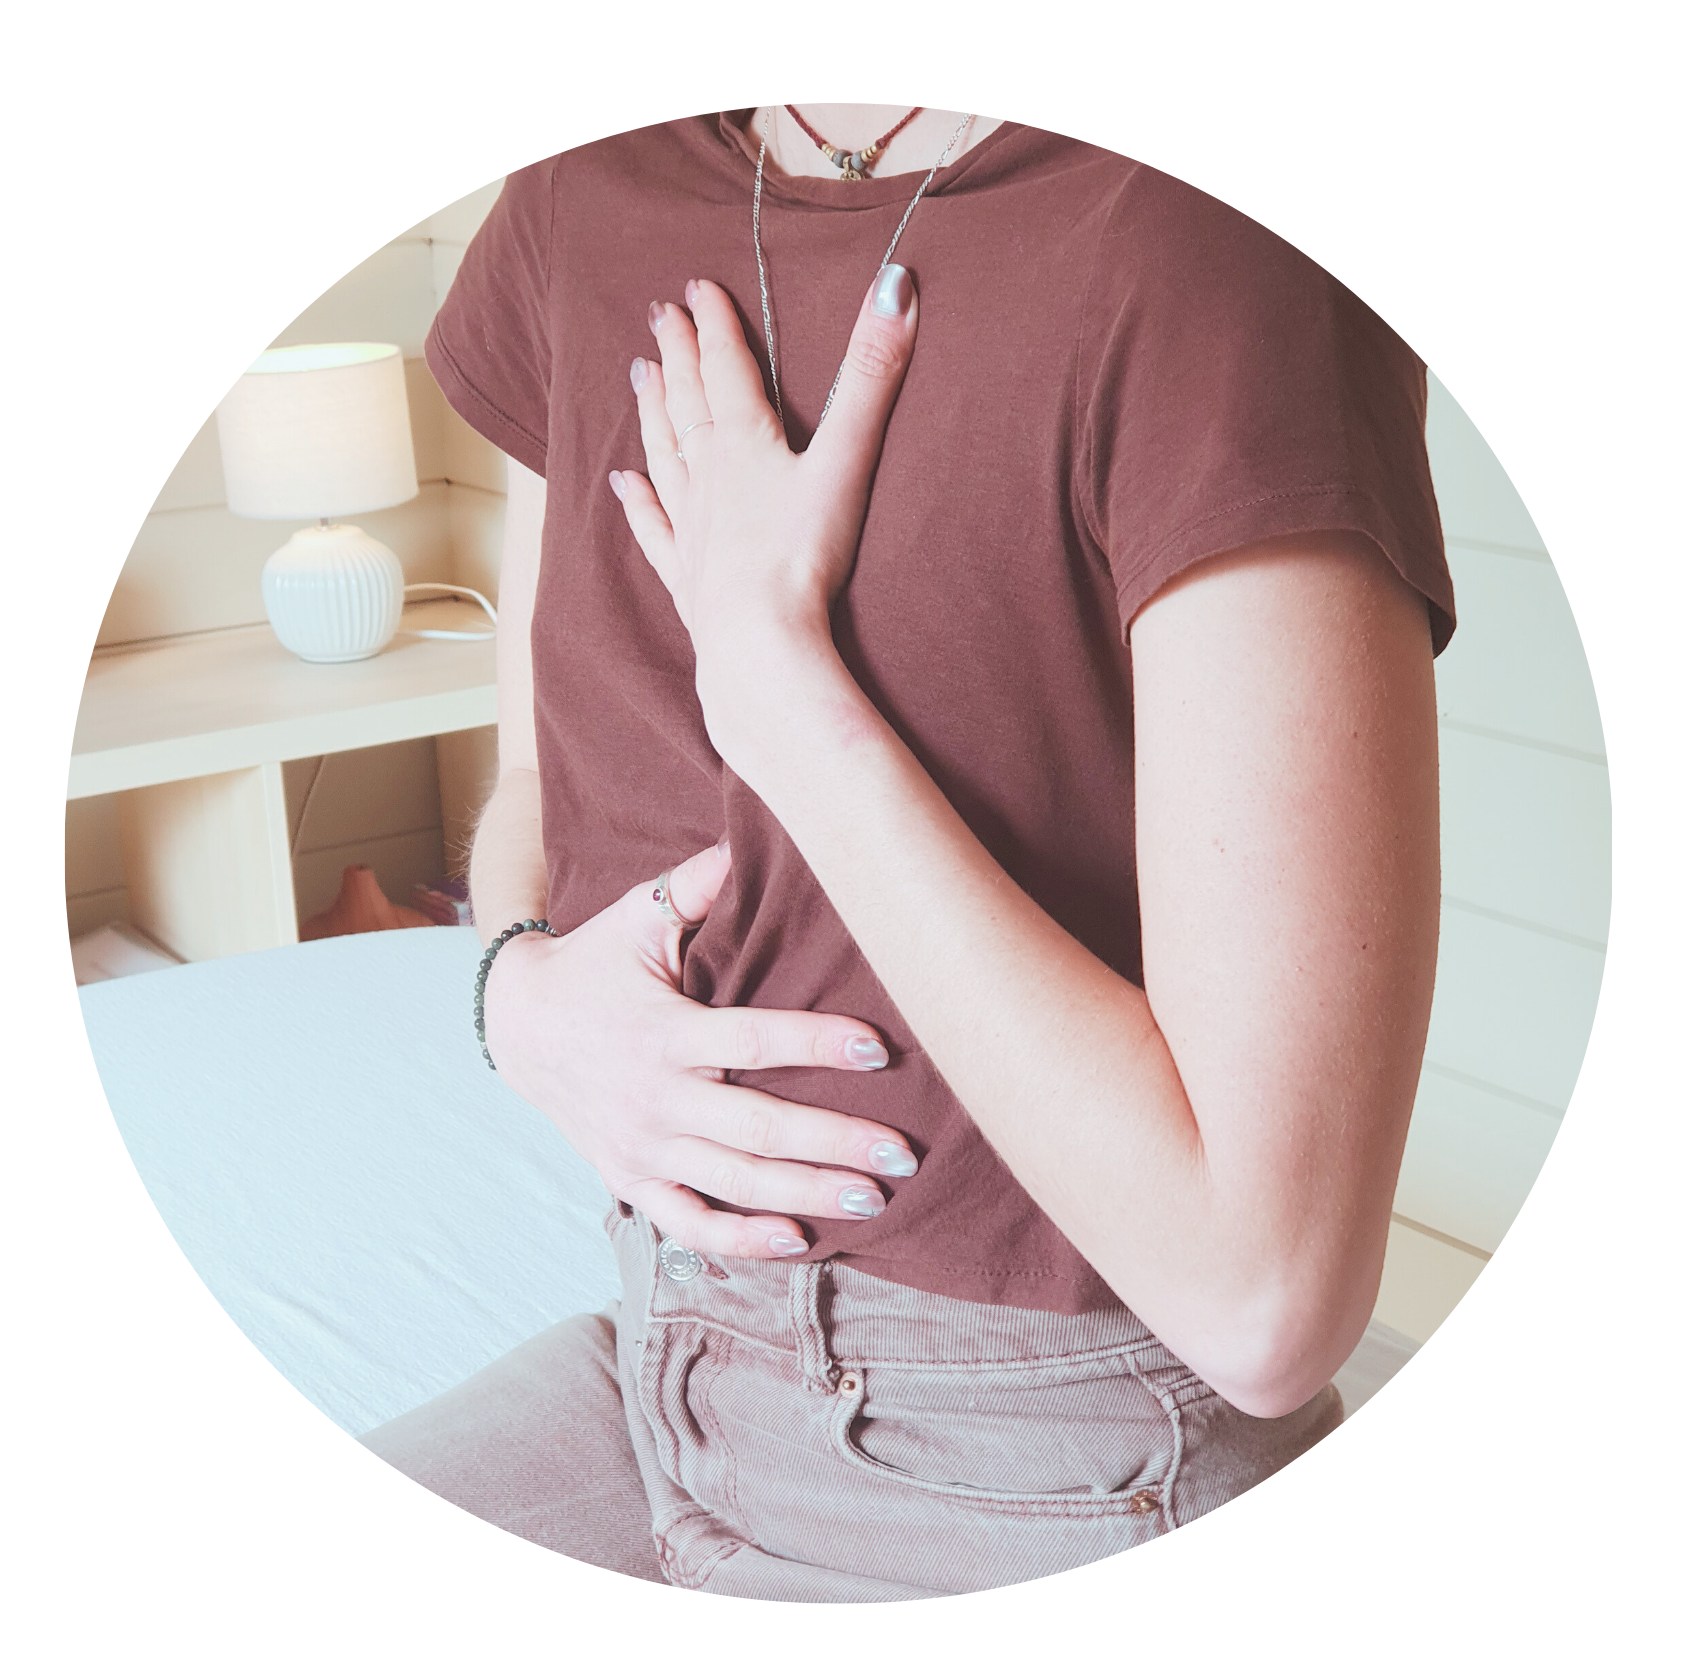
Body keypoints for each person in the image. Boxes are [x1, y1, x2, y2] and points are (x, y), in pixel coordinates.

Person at [360, 104, 1454, 1600]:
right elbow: (537, 779)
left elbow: (1265, 1297)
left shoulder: (1210, 243)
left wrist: (778, 687)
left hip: (1040, 1453)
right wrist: (516, 991)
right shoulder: (583, 188)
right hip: (665, 1354)